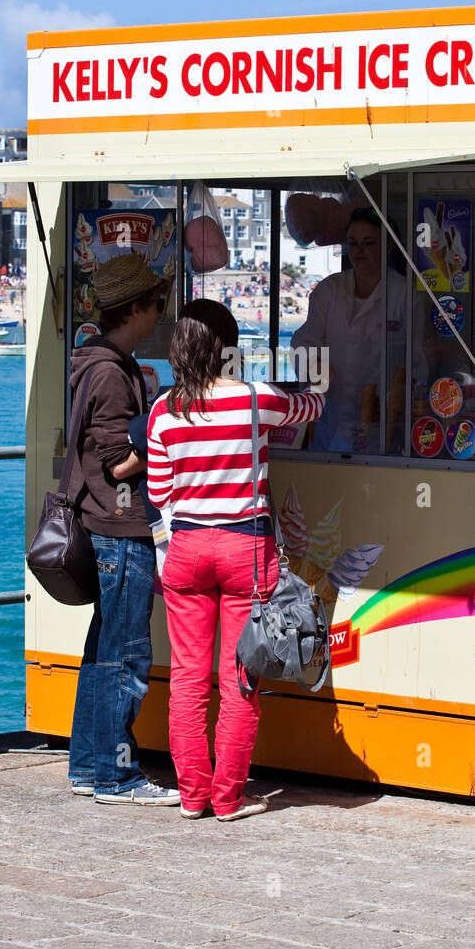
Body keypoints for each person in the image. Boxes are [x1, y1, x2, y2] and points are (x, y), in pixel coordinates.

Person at [147, 300, 325, 821]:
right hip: (245, 551)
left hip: (185, 552)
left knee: (187, 677)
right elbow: (312, 407)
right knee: (241, 675)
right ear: (229, 348)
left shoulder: (164, 411)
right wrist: (323, 375)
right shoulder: (256, 399)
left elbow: (161, 492)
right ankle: (228, 798)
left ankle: (192, 796)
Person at [67, 252, 180, 806]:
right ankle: (116, 775)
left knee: (103, 650)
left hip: (101, 523)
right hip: (120, 523)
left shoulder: (96, 362)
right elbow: (115, 465)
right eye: (157, 304)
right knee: (127, 653)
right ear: (134, 308)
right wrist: (164, 432)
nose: (161, 313)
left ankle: (89, 766)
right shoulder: (112, 372)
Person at [291, 206, 429, 453]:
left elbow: (417, 362)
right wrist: (313, 364)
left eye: (368, 243)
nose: (359, 251)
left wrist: (393, 402)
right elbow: (304, 340)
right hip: (328, 421)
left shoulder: (406, 296)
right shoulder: (329, 290)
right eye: (353, 243)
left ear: (387, 246)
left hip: (380, 430)